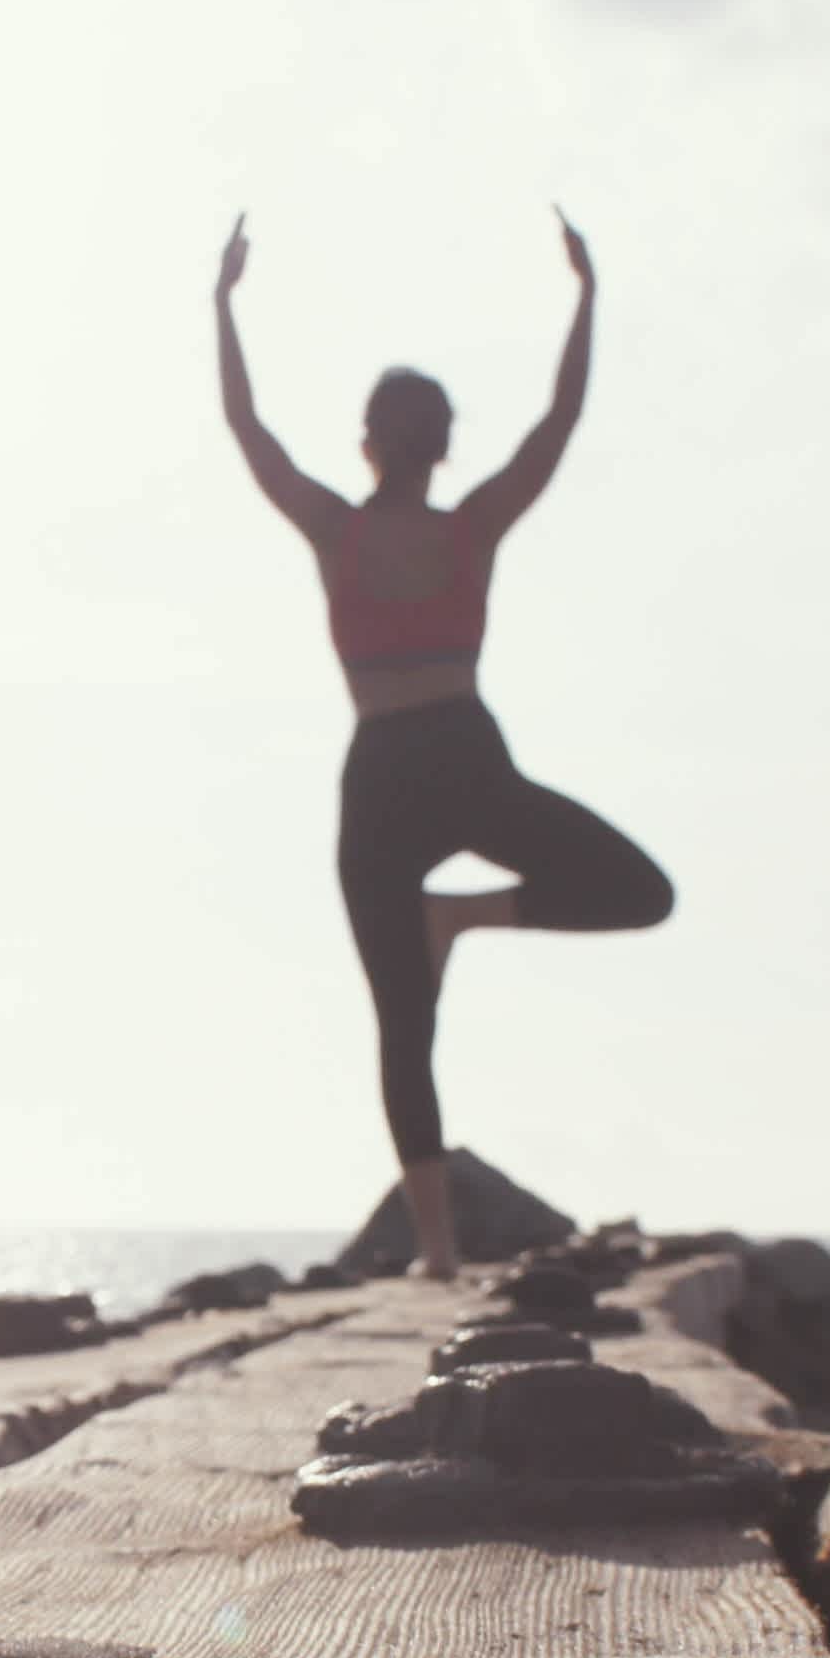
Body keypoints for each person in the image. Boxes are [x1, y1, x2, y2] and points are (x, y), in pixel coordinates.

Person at [214, 209, 674, 1279]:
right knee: (639, 890)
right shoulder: (471, 529)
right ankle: (465, 915)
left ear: (369, 440)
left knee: (400, 1020)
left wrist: (222, 305)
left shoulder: (338, 528)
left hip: (381, 772)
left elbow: (249, 432)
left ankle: (436, 1250)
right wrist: (586, 299)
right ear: (443, 442)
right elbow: (558, 423)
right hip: (464, 757)